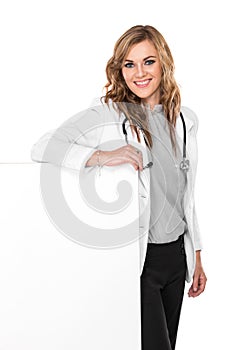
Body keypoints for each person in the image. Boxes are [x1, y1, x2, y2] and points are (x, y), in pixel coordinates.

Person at [31, 25, 207, 350]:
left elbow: (187, 196)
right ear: (120, 69)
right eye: (129, 64)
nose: (139, 73)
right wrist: (99, 155)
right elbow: (43, 146)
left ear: (164, 63)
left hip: (176, 258)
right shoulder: (110, 115)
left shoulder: (184, 119)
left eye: (148, 62)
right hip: (139, 262)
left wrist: (196, 255)